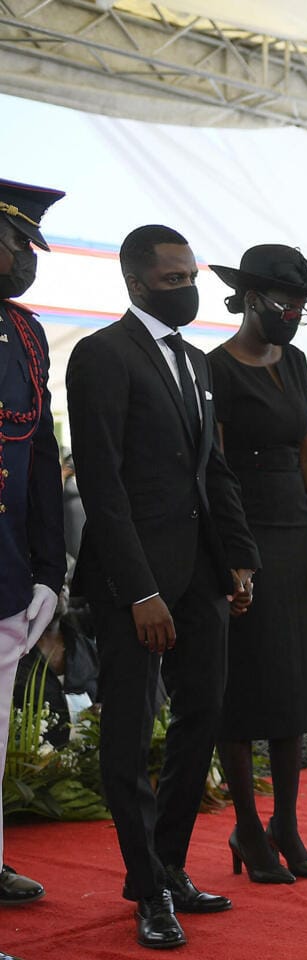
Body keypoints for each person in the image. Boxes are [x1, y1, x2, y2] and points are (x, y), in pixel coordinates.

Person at [66, 224, 260, 950]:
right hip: (134, 583)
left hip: (202, 576)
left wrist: (239, 559)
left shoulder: (196, 362)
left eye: (191, 276)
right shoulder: (101, 355)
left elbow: (213, 471)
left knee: (202, 714)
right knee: (129, 731)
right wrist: (139, 591)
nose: (187, 289)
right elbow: (103, 485)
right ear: (135, 282)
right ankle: (147, 890)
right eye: (173, 279)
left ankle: (170, 866)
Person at [207, 244, 307, 884]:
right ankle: (246, 826)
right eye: (286, 304)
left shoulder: (297, 361)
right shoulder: (214, 368)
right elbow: (215, 470)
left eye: (301, 308)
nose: (293, 316)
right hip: (243, 540)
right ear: (252, 298)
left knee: (293, 685)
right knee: (242, 688)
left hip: (293, 537)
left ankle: (286, 823)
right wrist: (236, 558)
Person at [0, 179, 66, 960]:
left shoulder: (25, 332)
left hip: (10, 570)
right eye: (18, 242)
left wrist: (50, 569)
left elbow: (41, 455)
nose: (28, 259)